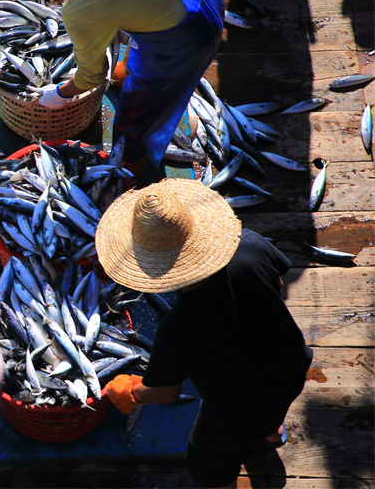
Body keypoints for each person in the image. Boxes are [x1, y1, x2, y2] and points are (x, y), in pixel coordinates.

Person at [94, 178, 313, 488]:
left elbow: (164, 393)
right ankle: (271, 433)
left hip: (234, 405)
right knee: (272, 407)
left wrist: (131, 391)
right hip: (291, 364)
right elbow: (277, 278)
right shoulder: (249, 244)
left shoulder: (179, 327)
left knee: (211, 464)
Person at [0, 0, 225, 179]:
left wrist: (59, 93)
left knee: (139, 110)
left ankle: (131, 162)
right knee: (137, 22)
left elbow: (91, 77)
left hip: (191, 29)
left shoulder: (81, 5)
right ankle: (126, 73)